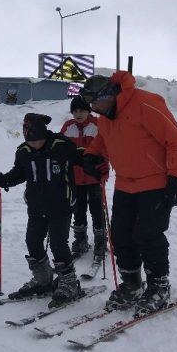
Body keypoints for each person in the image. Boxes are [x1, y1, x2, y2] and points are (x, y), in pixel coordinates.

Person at [80, 72, 177, 315]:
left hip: (156, 181)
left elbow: (176, 141)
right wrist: (91, 156)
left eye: (94, 102)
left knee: (147, 234)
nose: (92, 108)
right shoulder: (107, 116)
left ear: (108, 95)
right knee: (120, 235)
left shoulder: (145, 103)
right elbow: (102, 141)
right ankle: (132, 284)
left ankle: (159, 286)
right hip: (125, 184)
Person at [0, 113, 81, 308]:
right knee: (32, 241)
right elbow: (19, 173)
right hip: (37, 205)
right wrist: (3, 180)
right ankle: (43, 279)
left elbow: (81, 158)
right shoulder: (23, 151)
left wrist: (93, 164)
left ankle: (69, 282)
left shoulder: (61, 145)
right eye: (30, 141)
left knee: (58, 243)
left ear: (45, 134)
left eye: (38, 140)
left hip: (61, 204)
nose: (34, 144)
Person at [60, 96, 106, 261]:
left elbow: (106, 146)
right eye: (75, 111)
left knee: (96, 209)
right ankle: (80, 240)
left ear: (88, 111)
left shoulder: (97, 125)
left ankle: (101, 241)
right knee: (78, 210)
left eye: (82, 110)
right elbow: (61, 148)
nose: (78, 114)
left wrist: (103, 162)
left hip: (94, 177)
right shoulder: (68, 127)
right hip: (75, 178)